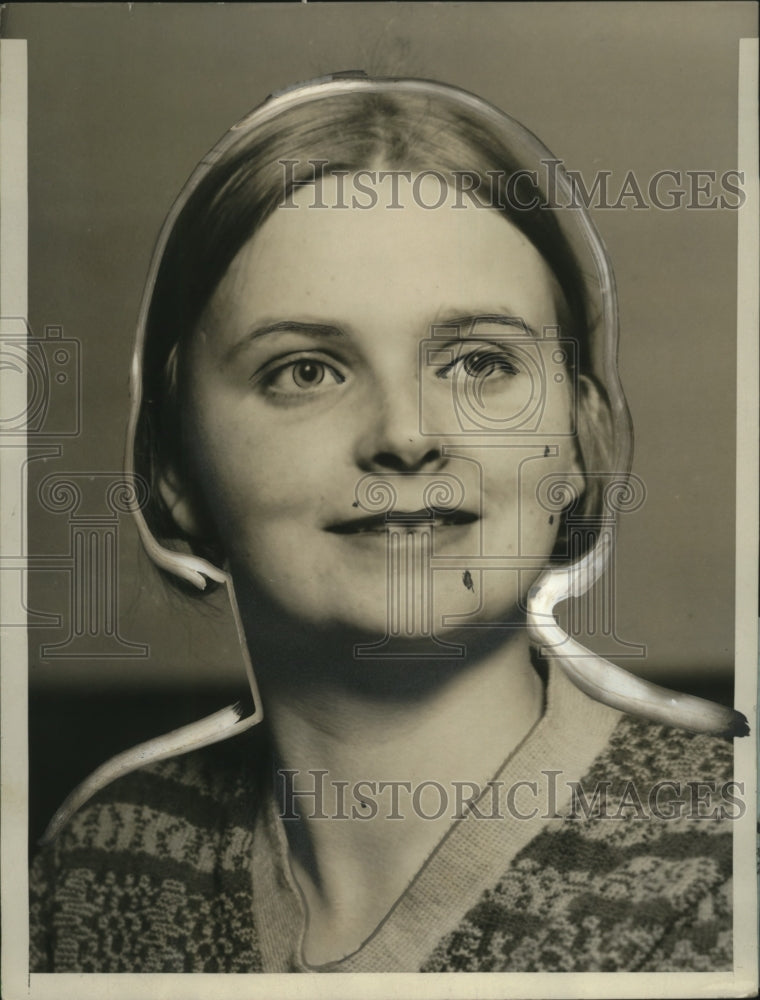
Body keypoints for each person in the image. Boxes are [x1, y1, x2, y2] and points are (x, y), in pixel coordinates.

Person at [29, 74, 745, 974]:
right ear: (174, 470)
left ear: (576, 439)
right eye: (306, 371)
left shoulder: (720, 874)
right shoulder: (107, 861)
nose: (406, 436)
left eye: (480, 362)